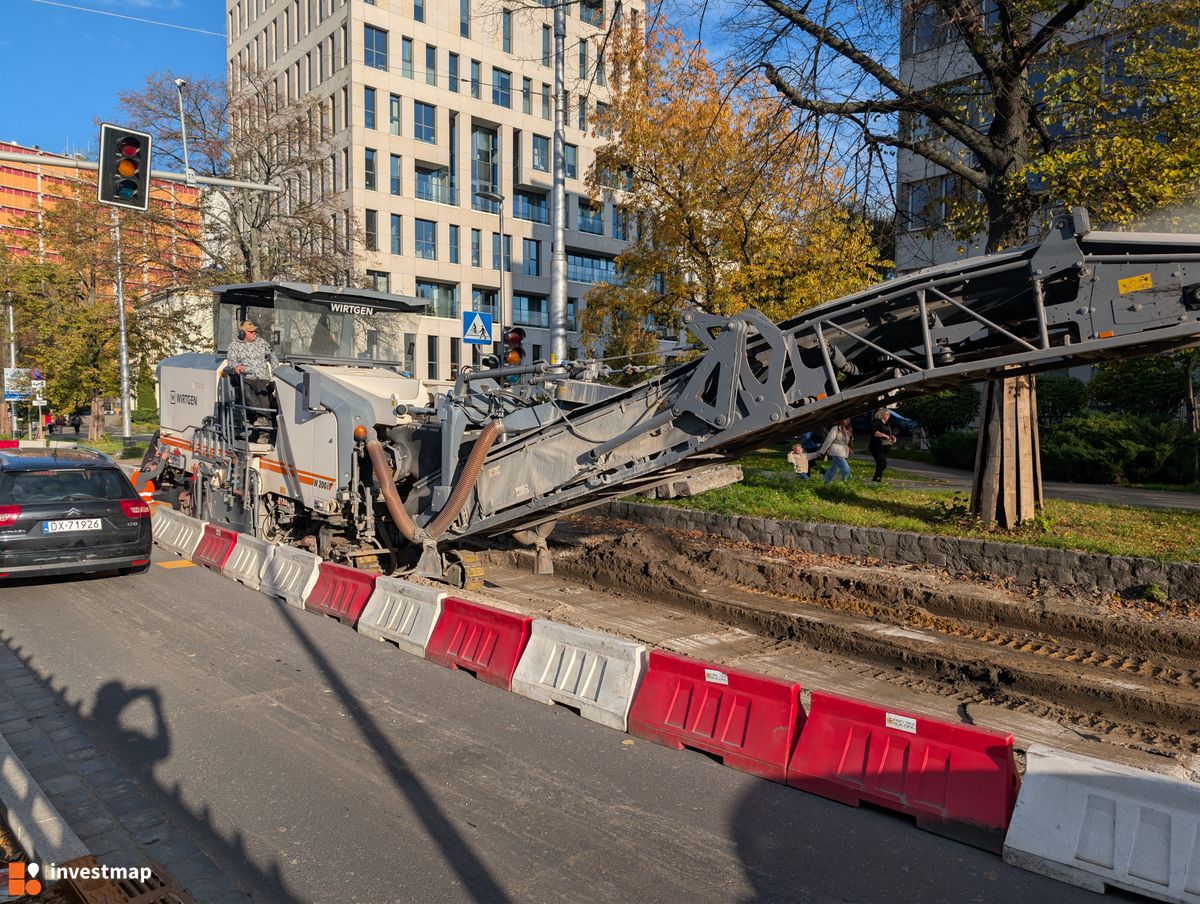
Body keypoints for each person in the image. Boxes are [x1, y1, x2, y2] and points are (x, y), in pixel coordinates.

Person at [226, 320, 279, 424]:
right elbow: (231, 361)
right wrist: (236, 366)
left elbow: (273, 357)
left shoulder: (262, 343)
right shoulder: (234, 346)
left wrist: (275, 374)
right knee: (246, 393)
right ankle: (262, 418)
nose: (254, 333)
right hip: (247, 378)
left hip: (263, 378)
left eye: (255, 331)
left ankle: (264, 428)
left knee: (265, 402)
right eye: (251, 331)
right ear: (242, 333)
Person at [818, 419, 853, 483]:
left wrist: (850, 437)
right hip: (836, 452)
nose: (848, 421)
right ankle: (848, 484)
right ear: (841, 420)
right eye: (846, 419)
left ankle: (826, 481)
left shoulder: (847, 429)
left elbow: (848, 442)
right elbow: (828, 440)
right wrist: (822, 451)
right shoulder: (835, 428)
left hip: (843, 453)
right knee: (846, 470)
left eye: (849, 420)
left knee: (833, 469)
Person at [870, 407, 898, 482]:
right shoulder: (877, 422)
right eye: (887, 414)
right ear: (882, 414)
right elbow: (875, 432)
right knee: (883, 463)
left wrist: (893, 437)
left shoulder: (887, 424)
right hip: (876, 447)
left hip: (884, 447)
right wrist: (884, 435)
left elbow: (888, 433)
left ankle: (877, 480)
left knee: (880, 464)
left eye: (889, 415)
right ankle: (876, 479)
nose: (889, 416)